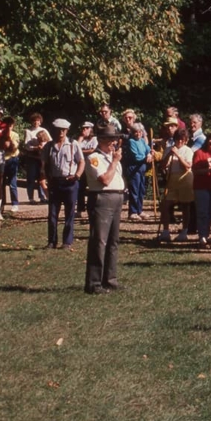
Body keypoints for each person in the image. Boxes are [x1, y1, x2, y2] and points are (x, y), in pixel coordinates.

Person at [84, 125, 125, 294]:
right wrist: (115, 161)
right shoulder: (95, 158)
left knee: (113, 241)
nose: (114, 143)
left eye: (115, 139)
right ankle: (94, 283)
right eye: (110, 140)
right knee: (99, 241)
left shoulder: (110, 157)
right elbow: (105, 180)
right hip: (102, 198)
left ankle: (110, 279)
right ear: (101, 140)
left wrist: (114, 160)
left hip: (116, 198)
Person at [40, 119, 85, 250]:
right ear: (53, 130)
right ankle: (51, 241)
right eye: (58, 129)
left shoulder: (73, 144)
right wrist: (43, 181)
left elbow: (81, 161)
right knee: (52, 214)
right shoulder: (48, 146)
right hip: (54, 182)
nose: (61, 132)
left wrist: (77, 175)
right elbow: (43, 165)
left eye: (63, 130)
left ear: (67, 131)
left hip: (70, 182)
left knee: (69, 213)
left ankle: (67, 242)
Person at [158, 129, 193, 242]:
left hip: (185, 178)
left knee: (185, 206)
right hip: (172, 178)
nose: (179, 142)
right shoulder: (169, 149)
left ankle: (184, 232)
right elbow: (162, 166)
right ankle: (165, 231)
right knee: (166, 205)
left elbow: (187, 166)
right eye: (178, 139)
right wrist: (169, 154)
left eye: (182, 140)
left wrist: (178, 154)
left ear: (186, 141)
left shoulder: (188, 151)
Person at [192, 132, 211, 248]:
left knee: (210, 212)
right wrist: (208, 170)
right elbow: (195, 171)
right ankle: (202, 236)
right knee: (202, 212)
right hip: (201, 186)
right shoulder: (199, 153)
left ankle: (206, 235)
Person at [124, 122, 153, 221]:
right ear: (132, 132)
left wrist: (149, 154)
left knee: (141, 190)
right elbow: (136, 156)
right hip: (134, 168)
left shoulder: (142, 141)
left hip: (142, 169)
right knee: (134, 191)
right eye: (136, 132)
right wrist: (146, 158)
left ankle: (140, 210)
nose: (138, 134)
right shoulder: (131, 142)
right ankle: (133, 212)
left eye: (140, 132)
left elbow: (148, 149)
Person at [24, 112, 50, 203]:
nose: (36, 122)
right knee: (31, 177)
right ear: (31, 122)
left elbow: (50, 141)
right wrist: (36, 148)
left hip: (42, 158)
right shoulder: (28, 131)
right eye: (34, 121)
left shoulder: (44, 130)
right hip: (32, 157)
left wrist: (44, 147)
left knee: (41, 177)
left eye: (38, 120)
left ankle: (42, 196)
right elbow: (27, 146)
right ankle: (31, 198)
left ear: (40, 121)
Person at [75, 122, 98, 218]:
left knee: (93, 187)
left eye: (86, 128)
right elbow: (75, 149)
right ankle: (80, 209)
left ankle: (93, 209)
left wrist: (81, 151)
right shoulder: (81, 140)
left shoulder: (94, 139)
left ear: (91, 129)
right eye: (83, 128)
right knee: (80, 188)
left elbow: (93, 150)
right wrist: (80, 140)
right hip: (82, 166)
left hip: (92, 165)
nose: (84, 130)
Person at [0, 116, 20, 215]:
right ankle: (2, 204)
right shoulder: (0, 134)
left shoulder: (14, 135)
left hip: (12, 159)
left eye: (10, 126)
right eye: (6, 126)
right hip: (1, 160)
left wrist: (8, 139)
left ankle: (15, 203)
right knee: (1, 184)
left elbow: (12, 148)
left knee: (12, 183)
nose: (8, 128)